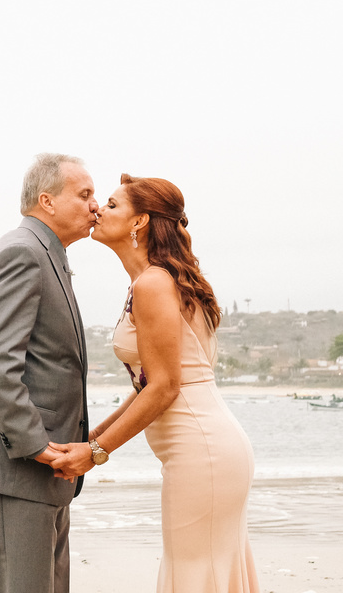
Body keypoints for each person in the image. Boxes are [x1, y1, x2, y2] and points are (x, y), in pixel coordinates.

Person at [50, 174, 259, 591]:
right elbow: (149, 386)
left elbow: (164, 388)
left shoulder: (153, 284)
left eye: (110, 205)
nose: (97, 210)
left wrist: (95, 453)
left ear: (139, 222)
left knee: (194, 574)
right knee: (203, 572)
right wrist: (92, 436)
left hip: (201, 451)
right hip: (206, 448)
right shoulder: (154, 280)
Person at [0, 152, 97, 593]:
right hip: (16, 469)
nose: (96, 205)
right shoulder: (22, 252)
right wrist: (35, 444)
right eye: (85, 194)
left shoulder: (50, 253)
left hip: (46, 473)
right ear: (47, 201)